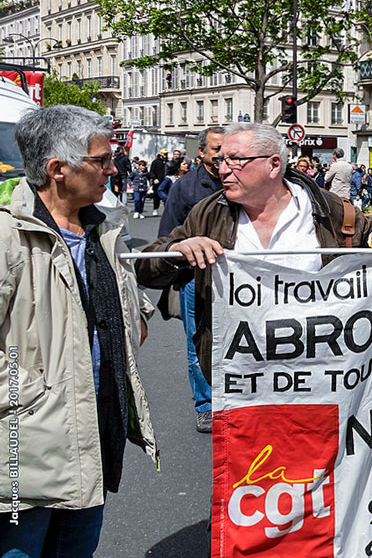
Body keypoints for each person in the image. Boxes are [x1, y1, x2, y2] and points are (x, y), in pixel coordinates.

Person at [0, 105, 157, 556]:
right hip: (25, 448)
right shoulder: (9, 235)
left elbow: (130, 312)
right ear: (58, 170)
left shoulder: (102, 231)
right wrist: (31, 395)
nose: (114, 167)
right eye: (102, 160)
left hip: (91, 436)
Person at [136, 123, 372, 381]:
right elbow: (146, 272)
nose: (223, 171)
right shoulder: (208, 213)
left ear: (273, 164)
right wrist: (176, 251)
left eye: (236, 160)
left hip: (321, 375)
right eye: (221, 161)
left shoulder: (327, 209)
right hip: (239, 382)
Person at [157, 126, 225, 432]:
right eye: (216, 149)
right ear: (201, 152)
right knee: (197, 344)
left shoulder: (240, 182)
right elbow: (164, 241)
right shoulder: (184, 187)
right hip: (194, 281)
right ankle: (206, 405)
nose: (223, 155)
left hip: (236, 282)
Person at [149, 148, 168, 216]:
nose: (165, 155)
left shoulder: (168, 162)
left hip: (166, 181)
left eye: (166, 153)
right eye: (164, 153)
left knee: (166, 196)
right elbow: (151, 172)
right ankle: (155, 209)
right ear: (161, 154)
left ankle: (167, 210)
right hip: (157, 182)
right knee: (156, 196)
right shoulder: (156, 162)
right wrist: (154, 178)